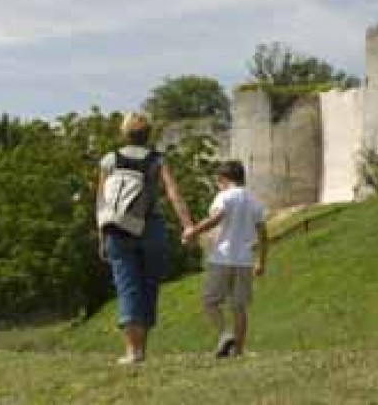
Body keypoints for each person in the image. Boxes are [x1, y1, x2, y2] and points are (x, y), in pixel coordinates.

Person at [97, 112, 193, 365]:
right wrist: (187, 226)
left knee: (127, 285)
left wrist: (101, 237)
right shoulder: (158, 161)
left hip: (118, 228)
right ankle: (141, 349)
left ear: (124, 133)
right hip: (152, 227)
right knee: (149, 286)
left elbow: (101, 203)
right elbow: (173, 193)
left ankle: (132, 350)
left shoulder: (109, 160)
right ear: (148, 134)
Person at [183, 160, 268, 358]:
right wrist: (261, 261)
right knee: (239, 307)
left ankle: (225, 334)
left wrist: (192, 232)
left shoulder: (224, 196)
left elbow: (217, 218)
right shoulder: (254, 201)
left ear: (223, 179)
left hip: (221, 258)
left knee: (210, 301)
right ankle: (238, 350)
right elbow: (263, 234)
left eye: (217, 181)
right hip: (245, 260)